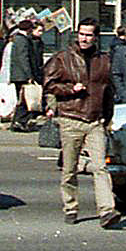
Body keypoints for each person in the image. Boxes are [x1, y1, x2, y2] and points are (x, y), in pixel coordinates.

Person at [43, 18, 119, 228]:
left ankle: (107, 210)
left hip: (95, 121)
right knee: (70, 169)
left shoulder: (103, 60)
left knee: (100, 167)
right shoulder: (63, 58)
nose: (85, 38)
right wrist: (69, 89)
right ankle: (70, 206)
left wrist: (108, 119)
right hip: (71, 118)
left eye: (89, 35)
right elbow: (49, 84)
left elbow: (108, 91)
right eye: (82, 34)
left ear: (96, 37)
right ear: (77, 35)